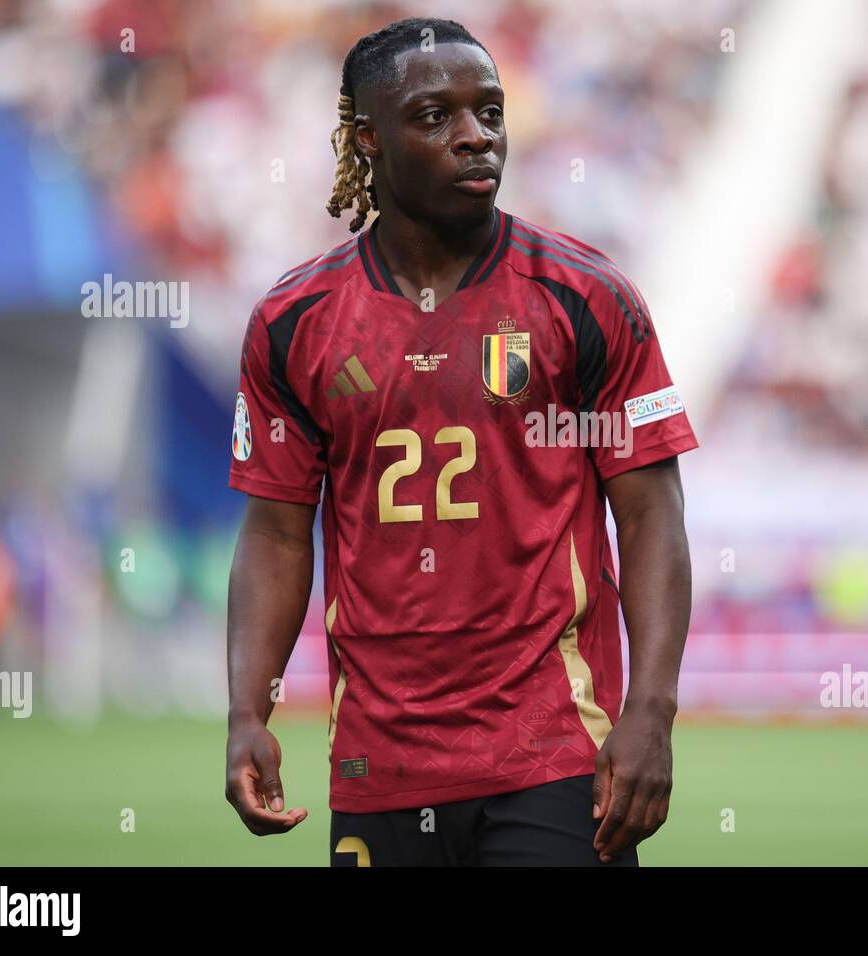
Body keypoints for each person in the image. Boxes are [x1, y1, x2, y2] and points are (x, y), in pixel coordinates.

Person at [225, 16, 698, 866]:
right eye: (435, 116)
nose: (476, 135)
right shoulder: (295, 322)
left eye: (490, 110)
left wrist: (652, 714)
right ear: (368, 139)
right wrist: (246, 714)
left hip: (554, 753)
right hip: (382, 761)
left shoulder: (586, 299)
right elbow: (275, 531)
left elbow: (653, 512)